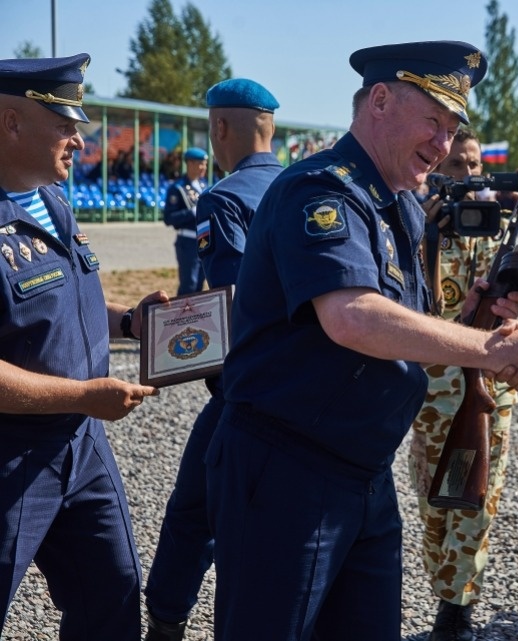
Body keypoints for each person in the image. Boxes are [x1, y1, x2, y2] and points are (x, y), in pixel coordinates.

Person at [205, 41, 518, 641]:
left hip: (364, 474)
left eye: (453, 130)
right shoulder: (322, 191)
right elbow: (352, 317)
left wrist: (472, 315)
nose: (443, 145)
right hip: (288, 472)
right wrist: (487, 351)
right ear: (378, 101)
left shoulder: (400, 206)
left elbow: (402, 318)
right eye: (433, 122)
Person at [0, 53, 166, 640]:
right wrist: (84, 393)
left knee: (111, 601)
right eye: (65, 124)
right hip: (12, 455)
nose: (79, 137)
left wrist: (129, 323)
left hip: (81, 445)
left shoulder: (53, 202)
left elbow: (65, 305)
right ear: (11, 122)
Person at [410, 128, 518, 641]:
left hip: (488, 389)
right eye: (456, 167)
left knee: (476, 498)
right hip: (430, 393)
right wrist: (425, 231)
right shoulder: (417, 225)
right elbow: (402, 306)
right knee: (433, 500)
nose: (466, 175)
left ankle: (456, 607)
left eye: (473, 165)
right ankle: (446, 587)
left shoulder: (502, 226)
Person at [143, 78, 283, 641]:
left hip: (243, 388)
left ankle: (167, 621)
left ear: (219, 127)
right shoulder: (305, 184)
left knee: (193, 511)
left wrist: (172, 346)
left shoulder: (223, 196)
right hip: (304, 385)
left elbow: (229, 300)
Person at [163, 146, 208, 295]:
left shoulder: (203, 186)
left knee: (200, 283)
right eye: (200, 163)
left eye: (205, 164)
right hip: (187, 240)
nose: (204, 168)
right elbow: (169, 218)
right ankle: (182, 318)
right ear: (190, 163)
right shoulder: (178, 188)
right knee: (189, 285)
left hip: (203, 240)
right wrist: (191, 213)